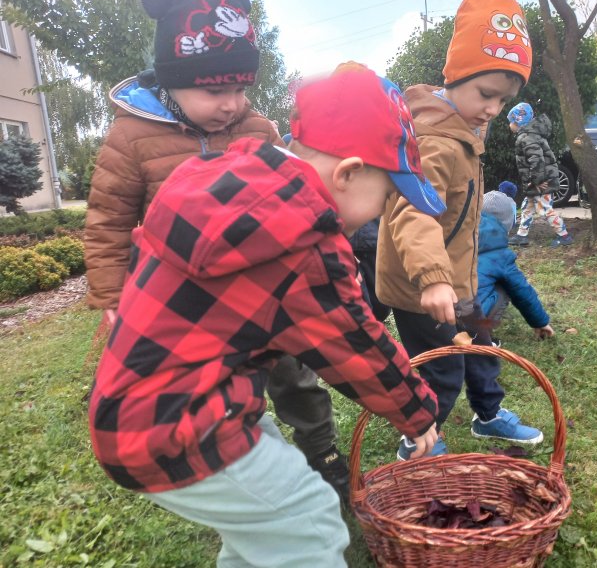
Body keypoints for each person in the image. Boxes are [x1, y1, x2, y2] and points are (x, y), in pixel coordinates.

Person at [88, 69, 442, 567]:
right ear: (347, 174)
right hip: (177, 425)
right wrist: (418, 412)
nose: (381, 213)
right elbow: (355, 344)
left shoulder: (224, 176)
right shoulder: (304, 241)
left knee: (265, 525)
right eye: (385, 197)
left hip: (142, 409)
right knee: (307, 521)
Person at [83, 0, 348, 497]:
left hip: (266, 289)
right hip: (187, 307)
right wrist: (113, 296)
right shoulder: (132, 136)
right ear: (172, 80)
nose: (231, 103)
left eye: (240, 88)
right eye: (215, 90)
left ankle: (323, 452)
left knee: (295, 375)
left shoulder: (258, 129)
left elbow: (297, 200)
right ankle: (234, 462)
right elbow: (108, 221)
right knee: (215, 389)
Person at [376, 0, 544, 460]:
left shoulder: (465, 133)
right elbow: (412, 210)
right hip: (422, 286)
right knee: (444, 367)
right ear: (455, 77)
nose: (492, 108)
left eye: (503, 99)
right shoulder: (434, 141)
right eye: (486, 94)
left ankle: (488, 415)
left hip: (458, 280)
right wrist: (432, 279)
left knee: (482, 346)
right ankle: (417, 440)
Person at [478, 186, 555, 343]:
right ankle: (480, 336)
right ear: (507, 225)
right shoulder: (499, 253)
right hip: (467, 317)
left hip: (438, 311)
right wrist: (540, 322)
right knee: (505, 286)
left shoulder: (459, 234)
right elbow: (522, 291)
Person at [507, 102, 574, 247]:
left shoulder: (527, 138)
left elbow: (537, 160)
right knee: (527, 206)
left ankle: (564, 236)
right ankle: (521, 235)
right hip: (536, 181)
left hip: (541, 182)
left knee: (545, 209)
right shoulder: (529, 136)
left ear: (518, 121)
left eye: (511, 121)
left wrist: (537, 181)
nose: (509, 125)